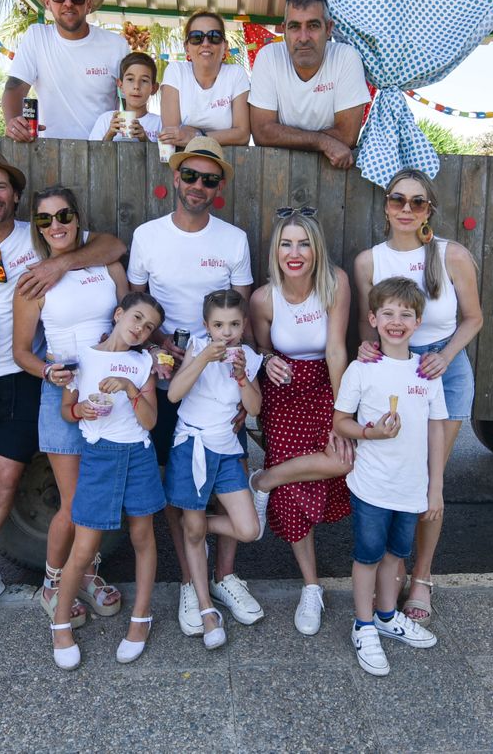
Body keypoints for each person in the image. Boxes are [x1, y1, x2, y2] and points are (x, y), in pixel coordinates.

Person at [0, 148, 127, 632]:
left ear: (14, 195)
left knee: (7, 478)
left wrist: (61, 265)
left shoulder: (34, 238)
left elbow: (110, 247)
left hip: (24, 378)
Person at [126, 135, 264, 636]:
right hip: (167, 374)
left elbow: (240, 312)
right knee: (176, 483)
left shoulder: (231, 239)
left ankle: (224, 576)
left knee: (229, 472)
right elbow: (137, 299)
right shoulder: (148, 235)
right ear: (175, 178)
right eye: (190, 175)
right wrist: (166, 347)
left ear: (219, 186)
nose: (198, 186)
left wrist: (243, 383)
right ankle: (191, 582)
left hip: (224, 377)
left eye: (209, 179)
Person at [352, 168, 483, 627]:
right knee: (394, 472)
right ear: (385, 206)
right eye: (397, 200)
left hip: (441, 372)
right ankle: (394, 565)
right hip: (392, 371)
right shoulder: (369, 261)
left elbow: (473, 318)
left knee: (429, 479)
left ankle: (422, 576)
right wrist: (366, 346)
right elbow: (366, 324)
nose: (406, 210)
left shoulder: (451, 255)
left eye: (417, 202)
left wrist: (445, 357)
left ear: (430, 209)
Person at [11, 186, 128, 629]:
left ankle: (88, 574)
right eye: (45, 219)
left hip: (109, 392)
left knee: (98, 497)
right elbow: (21, 351)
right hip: (62, 391)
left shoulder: (106, 263)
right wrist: (46, 371)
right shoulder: (32, 280)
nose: (56, 226)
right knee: (75, 500)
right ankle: (55, 582)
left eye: (63, 216)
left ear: (78, 219)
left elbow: (129, 314)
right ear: (37, 226)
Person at [245, 209, 354, 635]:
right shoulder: (262, 299)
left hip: (326, 388)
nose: (295, 253)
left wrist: (341, 415)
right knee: (294, 496)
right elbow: (261, 349)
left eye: (303, 243)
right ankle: (311, 587)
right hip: (285, 397)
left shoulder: (335, 283)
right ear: (276, 251)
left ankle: (263, 481)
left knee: (343, 461)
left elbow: (335, 351)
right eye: (287, 244)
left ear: (315, 249)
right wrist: (269, 361)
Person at [333, 277, 445, 676]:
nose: (397, 321)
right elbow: (340, 422)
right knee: (367, 556)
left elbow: (436, 430)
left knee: (397, 555)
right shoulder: (362, 369)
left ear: (417, 322)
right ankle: (362, 625)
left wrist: (436, 488)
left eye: (406, 315)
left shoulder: (427, 372)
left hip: (411, 486)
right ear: (373, 319)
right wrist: (370, 433)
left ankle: (385, 616)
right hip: (373, 485)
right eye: (389, 314)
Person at [50, 291, 164, 670]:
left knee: (143, 537)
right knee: (83, 549)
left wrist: (131, 390)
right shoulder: (83, 357)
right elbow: (67, 411)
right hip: (99, 458)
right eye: (136, 318)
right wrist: (80, 408)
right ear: (118, 314)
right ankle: (61, 623)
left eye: (149, 327)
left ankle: (140, 618)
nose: (140, 329)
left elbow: (150, 422)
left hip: (139, 456)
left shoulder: (143, 362)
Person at [164, 289, 264, 650]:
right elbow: (174, 394)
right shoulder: (196, 346)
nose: (226, 332)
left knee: (249, 528)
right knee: (193, 529)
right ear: (206, 325)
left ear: (244, 325)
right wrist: (203, 357)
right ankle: (206, 610)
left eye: (234, 325)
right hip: (192, 445)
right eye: (219, 325)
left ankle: (194, 529)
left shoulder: (249, 358)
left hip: (224, 450)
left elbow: (253, 406)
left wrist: (241, 377)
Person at [2, 0, 130, 142]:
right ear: (47, 1)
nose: (68, 3)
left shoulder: (116, 45)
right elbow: (14, 88)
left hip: (105, 153)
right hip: (51, 154)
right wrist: (14, 124)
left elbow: (132, 101)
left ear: (88, 4)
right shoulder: (36, 37)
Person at [249, 0, 371, 169]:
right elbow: (261, 133)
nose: (303, 37)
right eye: (295, 26)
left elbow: (347, 136)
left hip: (334, 175)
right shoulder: (268, 56)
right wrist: (322, 142)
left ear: (329, 29)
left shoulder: (346, 57)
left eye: (313, 25)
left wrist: (285, 136)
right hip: (277, 171)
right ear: (284, 31)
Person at [159, 12, 251, 148]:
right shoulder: (175, 71)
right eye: (197, 37)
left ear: (225, 46)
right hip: (183, 159)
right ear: (187, 47)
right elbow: (173, 135)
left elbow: (243, 135)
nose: (206, 43)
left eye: (214, 37)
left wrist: (196, 136)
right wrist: (224, 135)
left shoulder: (236, 74)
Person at [89, 52, 163, 142]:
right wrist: (109, 134)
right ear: (120, 85)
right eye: (130, 79)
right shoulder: (106, 120)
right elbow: (94, 154)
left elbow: (167, 155)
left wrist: (145, 139)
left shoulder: (160, 124)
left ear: (154, 88)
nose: (136, 86)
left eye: (144, 80)